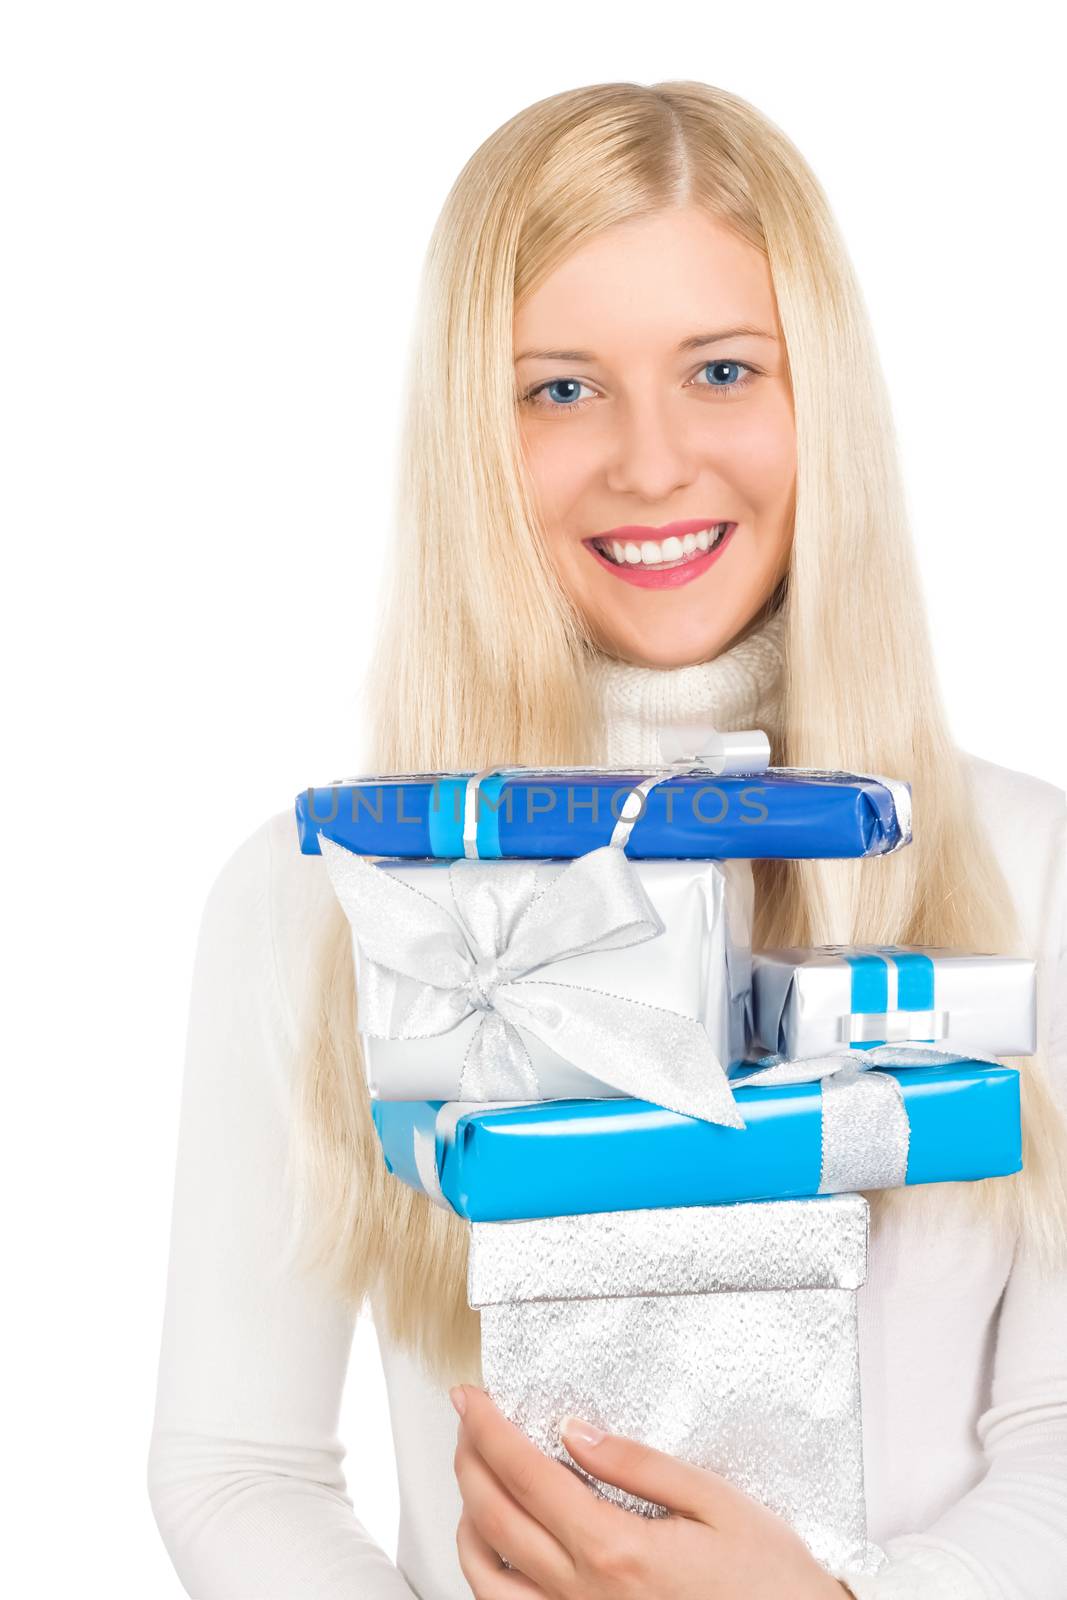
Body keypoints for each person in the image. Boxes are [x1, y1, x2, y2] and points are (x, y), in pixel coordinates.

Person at [147, 80, 1067, 1599]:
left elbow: (1055, 1428)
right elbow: (237, 1467)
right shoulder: (322, 896)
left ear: (815, 392)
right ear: (474, 434)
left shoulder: (1031, 868)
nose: (651, 463)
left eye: (721, 369)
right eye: (559, 389)